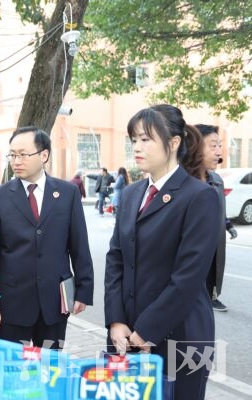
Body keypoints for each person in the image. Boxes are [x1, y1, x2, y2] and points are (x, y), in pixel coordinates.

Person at [105, 104, 220, 399]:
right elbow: (116, 259)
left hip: (181, 336)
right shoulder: (131, 194)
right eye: (134, 140)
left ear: (174, 142)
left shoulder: (200, 196)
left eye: (146, 139)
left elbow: (188, 277)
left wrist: (146, 330)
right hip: (126, 335)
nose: (137, 147)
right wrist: (116, 321)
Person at [0, 126, 94, 348]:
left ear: (44, 155)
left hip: (54, 301)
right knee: (13, 365)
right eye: (12, 155)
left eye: (23, 154)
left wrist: (84, 289)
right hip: (12, 303)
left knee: (50, 364)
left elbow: (79, 244)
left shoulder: (67, 193)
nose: (16, 161)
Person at [195, 124, 238, 312]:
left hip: (214, 244)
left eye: (220, 146)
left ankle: (212, 296)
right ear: (195, 146)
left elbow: (221, 210)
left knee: (212, 275)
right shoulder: (181, 182)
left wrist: (228, 226)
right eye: (213, 146)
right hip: (192, 251)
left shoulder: (217, 181)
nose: (219, 151)